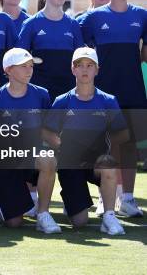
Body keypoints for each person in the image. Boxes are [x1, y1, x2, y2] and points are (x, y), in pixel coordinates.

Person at [79, 0, 146, 218]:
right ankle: (103, 197)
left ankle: (127, 199)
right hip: (103, 92)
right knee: (104, 146)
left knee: (128, 145)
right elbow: (80, 52)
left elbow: (144, 54)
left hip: (133, 90)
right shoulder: (91, 18)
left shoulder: (142, 16)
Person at [43, 47, 128, 235]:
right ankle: (72, 201)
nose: (84, 70)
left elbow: (122, 134)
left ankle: (109, 216)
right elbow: (47, 133)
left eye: (89, 65)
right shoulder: (62, 101)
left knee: (108, 165)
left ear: (97, 70)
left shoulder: (108, 101)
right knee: (80, 221)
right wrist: (62, 145)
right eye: (79, 65)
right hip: (70, 164)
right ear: (73, 69)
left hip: (96, 162)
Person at [0, 48, 60, 233]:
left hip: (31, 157)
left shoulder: (42, 95)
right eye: (23, 66)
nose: (29, 70)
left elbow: (45, 131)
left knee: (48, 159)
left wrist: (63, 145)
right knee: (14, 223)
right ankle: (2, 202)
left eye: (31, 66)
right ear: (8, 70)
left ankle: (43, 214)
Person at [17, 0, 84, 102]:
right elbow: (20, 61)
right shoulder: (31, 24)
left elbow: (80, 61)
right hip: (39, 93)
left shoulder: (73, 24)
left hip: (68, 93)